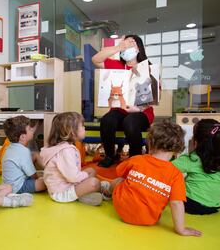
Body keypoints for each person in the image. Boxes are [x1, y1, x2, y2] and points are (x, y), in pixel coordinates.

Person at [104, 120, 201, 236]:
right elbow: (176, 203)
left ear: (149, 143)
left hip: (122, 210)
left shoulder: (137, 159)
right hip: (149, 219)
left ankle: (106, 191)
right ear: (176, 150)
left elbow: (119, 172)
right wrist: (181, 229)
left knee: (120, 180)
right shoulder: (175, 174)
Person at [92, 34, 158, 168]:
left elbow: (154, 95)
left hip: (141, 112)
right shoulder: (115, 65)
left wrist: (138, 109)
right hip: (119, 110)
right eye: (125, 44)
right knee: (107, 120)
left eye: (131, 43)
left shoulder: (148, 67)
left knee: (130, 121)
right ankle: (110, 155)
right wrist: (118, 47)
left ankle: (135, 159)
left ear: (139, 48)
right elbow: (95, 59)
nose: (127, 46)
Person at [40, 112, 108, 206]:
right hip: (61, 192)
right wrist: (86, 176)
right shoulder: (66, 150)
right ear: (71, 131)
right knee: (94, 182)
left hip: (66, 185)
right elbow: (72, 177)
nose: (85, 128)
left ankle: (86, 193)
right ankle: (99, 191)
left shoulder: (64, 147)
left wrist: (85, 174)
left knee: (91, 170)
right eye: (82, 126)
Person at [172, 119, 220, 215]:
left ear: (195, 143)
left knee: (174, 179)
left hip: (189, 205)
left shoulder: (192, 159)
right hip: (213, 207)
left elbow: (165, 168)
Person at [2, 116, 46, 194]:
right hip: (18, 187)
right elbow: (33, 175)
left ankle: (48, 170)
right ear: (22, 137)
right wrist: (38, 180)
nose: (32, 130)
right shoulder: (23, 151)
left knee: (35, 154)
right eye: (29, 129)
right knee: (48, 182)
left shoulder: (10, 147)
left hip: (11, 184)